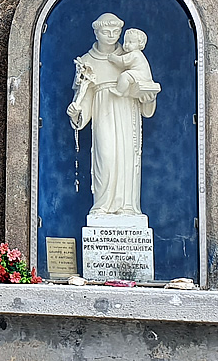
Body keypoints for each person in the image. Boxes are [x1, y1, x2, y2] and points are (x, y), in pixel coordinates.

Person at [65, 14, 159, 220]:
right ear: (96, 32)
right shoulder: (87, 61)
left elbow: (146, 97)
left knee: (128, 157)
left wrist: (149, 99)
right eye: (105, 31)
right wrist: (77, 113)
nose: (111, 35)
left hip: (128, 111)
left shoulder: (131, 57)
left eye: (116, 31)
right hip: (103, 112)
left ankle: (128, 207)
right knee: (105, 156)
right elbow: (84, 98)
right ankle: (102, 205)